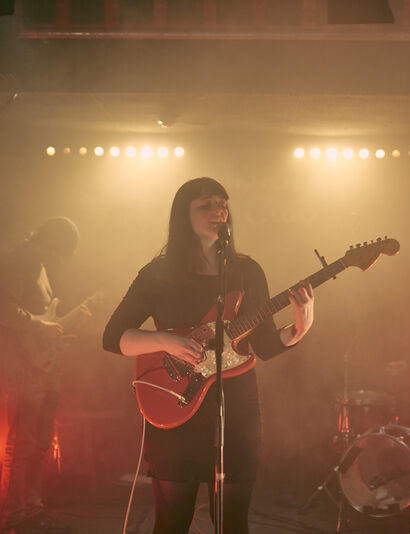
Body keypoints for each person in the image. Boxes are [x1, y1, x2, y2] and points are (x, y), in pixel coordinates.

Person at [102, 177, 315, 533]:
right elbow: (113, 338)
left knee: (232, 523)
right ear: (182, 215)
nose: (219, 212)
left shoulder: (247, 271)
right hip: (175, 402)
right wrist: (167, 342)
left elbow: (263, 345)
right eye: (206, 205)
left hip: (236, 407)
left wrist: (299, 328)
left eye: (223, 204)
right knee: (171, 522)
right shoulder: (158, 274)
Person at [0, 216, 87, 534]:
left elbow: (41, 317)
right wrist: (40, 327)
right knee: (22, 443)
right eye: (60, 252)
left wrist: (57, 329)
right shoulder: (18, 260)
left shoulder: (38, 265)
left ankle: (32, 510)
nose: (59, 260)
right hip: (22, 367)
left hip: (42, 365)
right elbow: (2, 308)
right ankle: (16, 517)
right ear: (51, 243)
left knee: (40, 443)